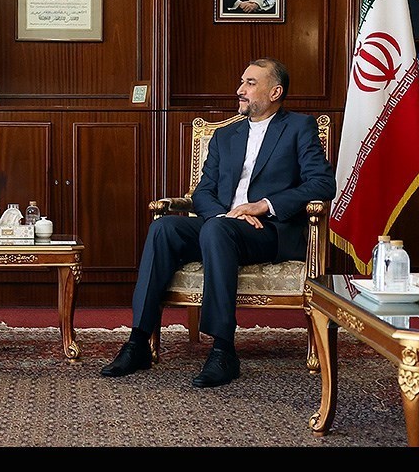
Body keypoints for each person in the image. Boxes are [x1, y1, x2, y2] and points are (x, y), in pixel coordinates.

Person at [100, 58, 336, 388]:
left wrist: (262, 206)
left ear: (275, 92)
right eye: (241, 82)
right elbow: (203, 191)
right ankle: (138, 340)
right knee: (163, 228)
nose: (240, 90)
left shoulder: (298, 128)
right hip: (222, 224)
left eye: (250, 83)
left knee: (217, 229)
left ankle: (223, 350)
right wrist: (224, 216)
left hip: (268, 231)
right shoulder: (225, 136)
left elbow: (322, 184)